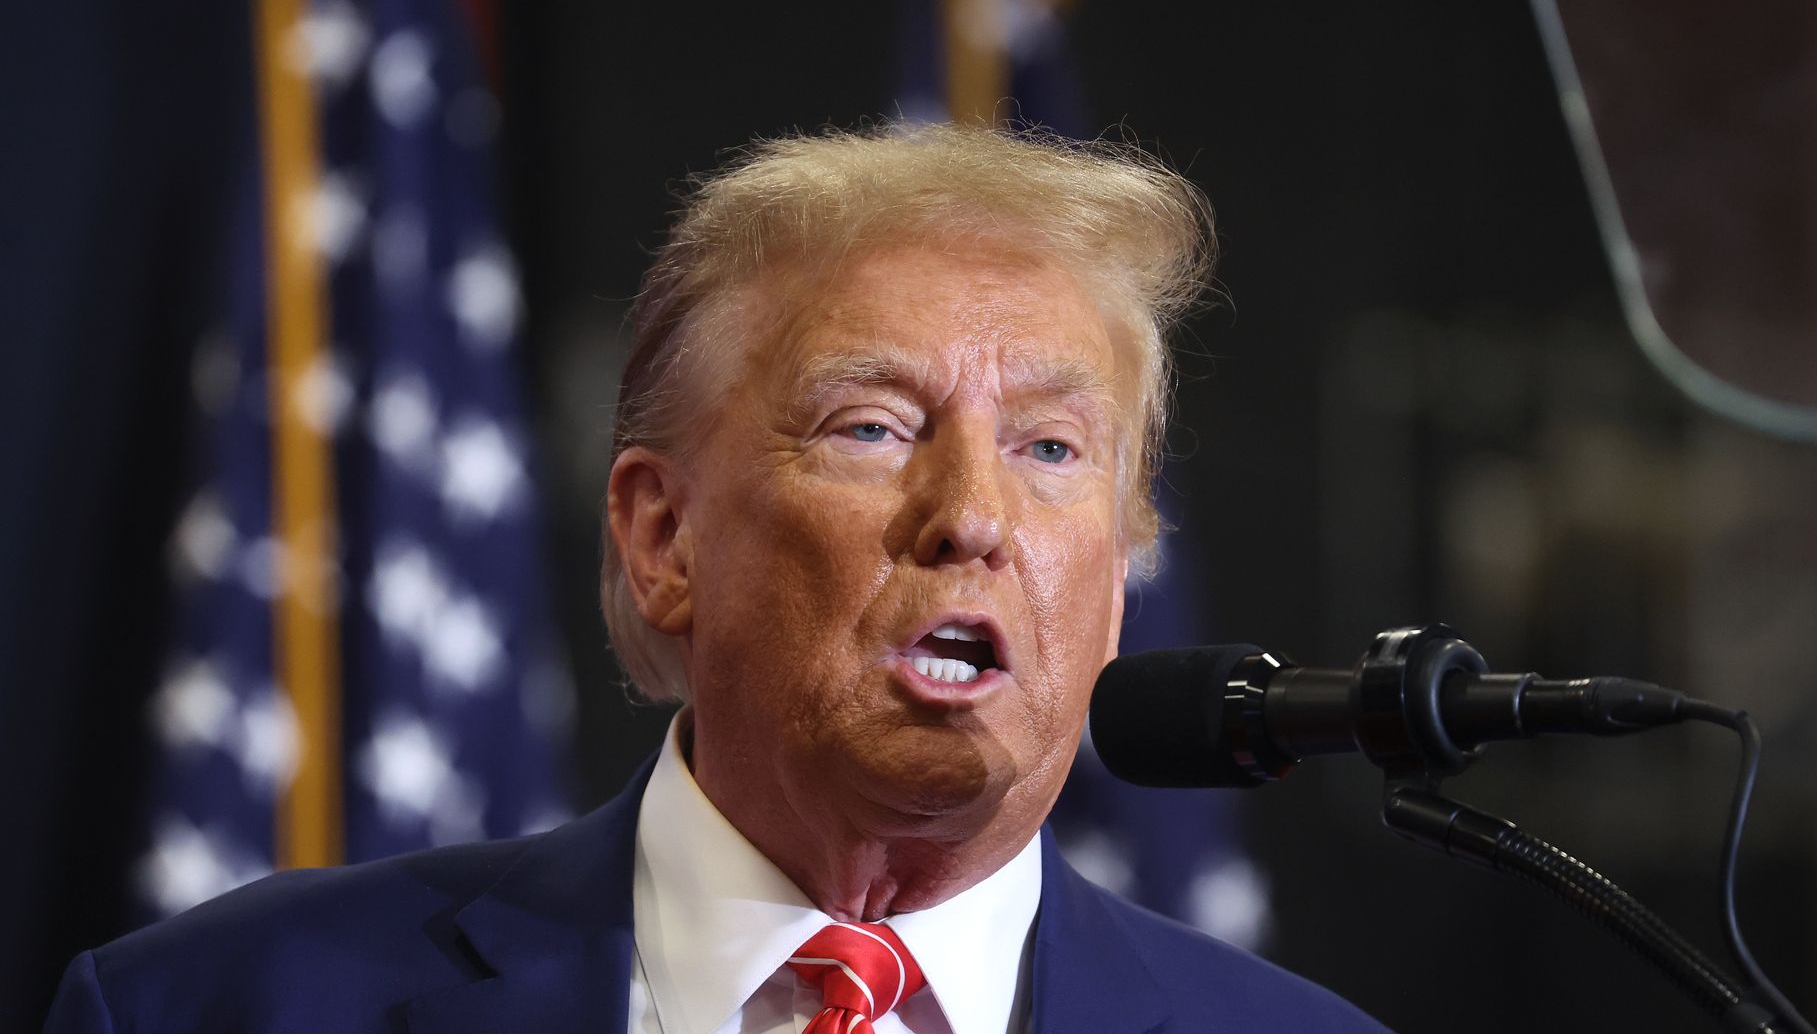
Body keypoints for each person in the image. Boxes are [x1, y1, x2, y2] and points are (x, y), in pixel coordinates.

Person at [45, 124, 1388, 1033]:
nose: (972, 516)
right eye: (874, 427)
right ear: (662, 538)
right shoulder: (222, 1005)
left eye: (1049, 447)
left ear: (1119, 574)